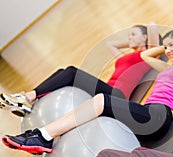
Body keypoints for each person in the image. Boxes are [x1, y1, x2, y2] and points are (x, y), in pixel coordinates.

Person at [2, 28, 173, 155]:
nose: (168, 50)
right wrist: (167, 47)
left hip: (159, 116)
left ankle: (43, 135)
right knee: (93, 108)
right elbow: (145, 55)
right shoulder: (167, 68)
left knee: (102, 100)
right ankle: (48, 138)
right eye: (166, 47)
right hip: (144, 113)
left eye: (172, 46)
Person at [0, 23, 160, 117]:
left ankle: (27, 97)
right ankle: (29, 100)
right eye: (129, 35)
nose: (129, 38)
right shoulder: (127, 56)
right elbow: (110, 44)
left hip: (116, 95)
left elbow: (152, 26)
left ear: (145, 38)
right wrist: (134, 41)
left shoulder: (147, 55)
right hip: (106, 91)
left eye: (133, 35)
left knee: (71, 72)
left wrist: (144, 39)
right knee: (61, 71)